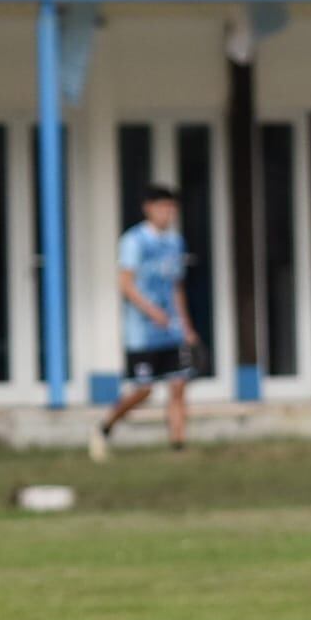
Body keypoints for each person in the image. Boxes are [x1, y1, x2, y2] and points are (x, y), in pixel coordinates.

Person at [89, 185, 198, 461]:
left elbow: (176, 286)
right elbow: (126, 284)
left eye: (172, 208)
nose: (168, 213)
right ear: (148, 208)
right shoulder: (134, 241)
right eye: (163, 207)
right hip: (142, 332)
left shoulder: (175, 242)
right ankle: (105, 426)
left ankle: (178, 445)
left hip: (171, 329)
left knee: (178, 384)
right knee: (144, 389)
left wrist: (185, 324)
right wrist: (152, 312)